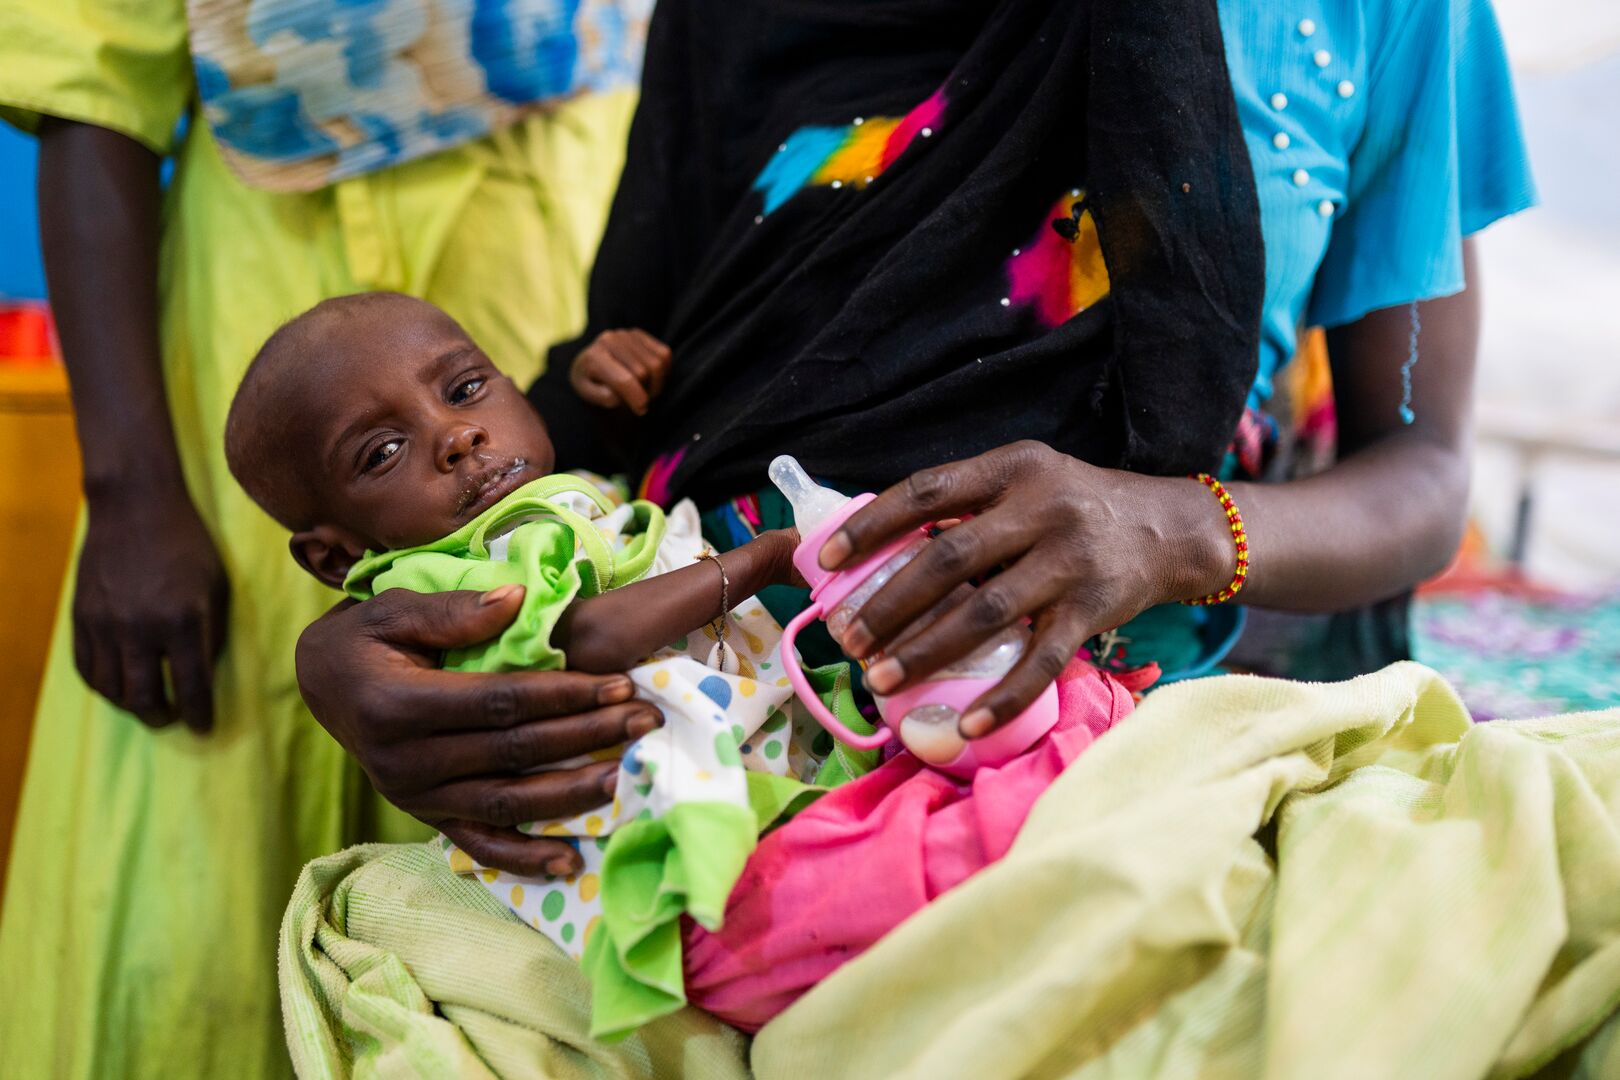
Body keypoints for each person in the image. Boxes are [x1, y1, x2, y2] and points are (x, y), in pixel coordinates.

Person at [282, 0, 1568, 1069]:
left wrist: (1172, 527)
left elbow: (1420, 477)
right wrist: (363, 646)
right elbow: (618, 392)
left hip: (1114, 736)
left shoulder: (1387, 17)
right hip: (702, 744)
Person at [0, 2, 647, 1076]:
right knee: (202, 894)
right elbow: (91, 94)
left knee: (533, 797)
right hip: (280, 318)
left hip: (549, 266)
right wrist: (130, 493)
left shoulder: (499, 414)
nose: (455, 444)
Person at [230, 291, 1134, 1038]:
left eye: (467, 388)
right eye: (383, 453)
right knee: (910, 882)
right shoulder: (447, 571)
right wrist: (759, 561)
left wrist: (597, 400)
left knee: (984, 745)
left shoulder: (560, 502)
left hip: (766, 796)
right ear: (334, 558)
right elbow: (587, 635)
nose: (456, 436)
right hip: (695, 870)